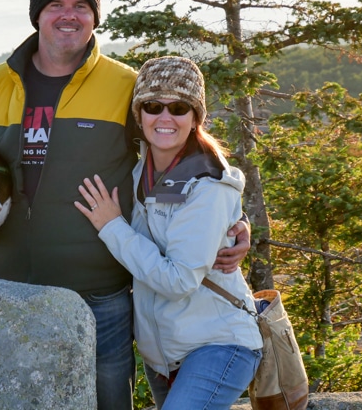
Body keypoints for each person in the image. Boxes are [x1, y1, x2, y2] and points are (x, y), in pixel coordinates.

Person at [0, 0, 250, 409]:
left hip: (102, 294)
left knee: (110, 402)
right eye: (55, 4)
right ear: (37, 13)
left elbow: (181, 155)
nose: (68, 14)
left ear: (95, 16)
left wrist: (234, 219)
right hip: (10, 285)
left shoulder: (124, 86)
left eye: (81, 5)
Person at [75, 55, 262, 410]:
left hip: (217, 344)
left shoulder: (207, 184)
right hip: (163, 356)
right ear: (139, 115)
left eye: (178, 107)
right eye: (152, 106)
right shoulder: (139, 165)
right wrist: (239, 224)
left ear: (195, 119)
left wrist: (112, 226)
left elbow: (179, 280)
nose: (164, 117)